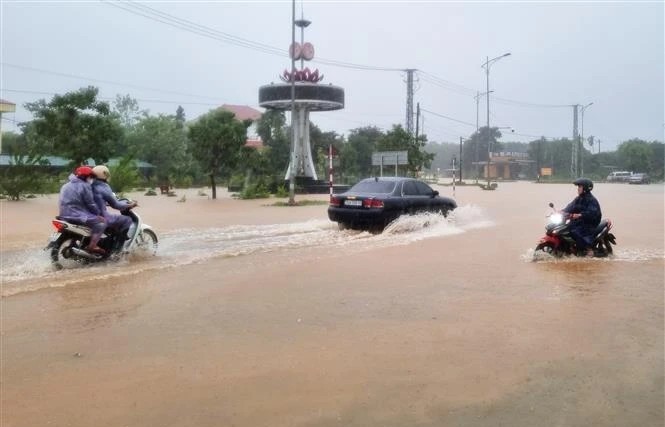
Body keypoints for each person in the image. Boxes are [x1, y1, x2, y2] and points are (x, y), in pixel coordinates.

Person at [58, 166, 107, 254]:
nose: (91, 179)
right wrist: (99, 214)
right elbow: (90, 204)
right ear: (85, 177)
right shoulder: (85, 186)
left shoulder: (66, 185)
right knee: (101, 223)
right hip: (77, 215)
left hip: (64, 214)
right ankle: (93, 246)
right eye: (90, 177)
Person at [91, 165, 137, 251]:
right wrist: (130, 205)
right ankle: (117, 250)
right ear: (104, 175)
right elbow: (116, 205)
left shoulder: (88, 185)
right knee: (127, 220)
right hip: (101, 217)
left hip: (87, 216)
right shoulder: (104, 186)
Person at [562, 177, 602, 256]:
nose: (578, 189)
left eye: (580, 187)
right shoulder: (578, 199)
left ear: (585, 188)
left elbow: (592, 212)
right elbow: (570, 207)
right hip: (579, 222)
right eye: (578, 187)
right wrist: (561, 212)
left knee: (575, 231)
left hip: (589, 224)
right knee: (566, 228)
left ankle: (588, 249)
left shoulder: (592, 200)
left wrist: (580, 215)